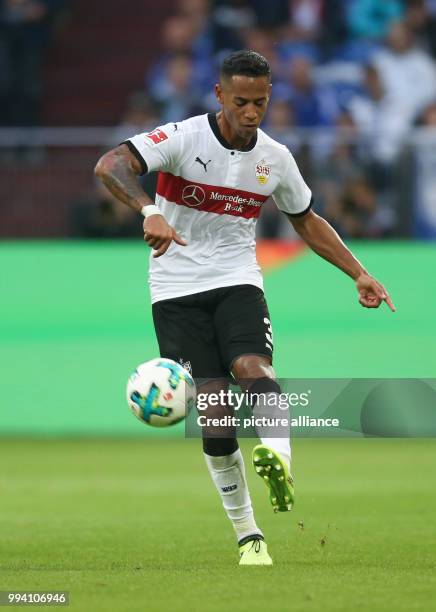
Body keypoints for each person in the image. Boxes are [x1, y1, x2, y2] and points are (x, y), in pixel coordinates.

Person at [94, 50, 395, 567]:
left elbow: (305, 219)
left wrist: (359, 271)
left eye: (260, 101)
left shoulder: (275, 158)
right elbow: (110, 165)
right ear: (219, 95)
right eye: (240, 101)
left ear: (269, 97)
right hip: (175, 289)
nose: (251, 111)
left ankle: (278, 456)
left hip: (237, 280)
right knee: (213, 410)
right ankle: (249, 536)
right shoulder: (184, 137)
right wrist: (148, 209)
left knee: (253, 368)